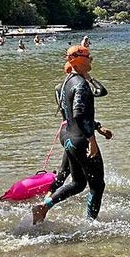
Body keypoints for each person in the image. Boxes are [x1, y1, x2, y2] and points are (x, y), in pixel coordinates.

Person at [33, 45, 106, 224]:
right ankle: (91, 224)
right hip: (80, 138)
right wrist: (92, 140)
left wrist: (87, 76)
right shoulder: (80, 85)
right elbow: (79, 114)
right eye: (89, 57)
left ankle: (44, 206)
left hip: (67, 136)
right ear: (81, 60)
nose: (91, 60)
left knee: (78, 183)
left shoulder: (67, 82)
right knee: (97, 186)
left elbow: (76, 113)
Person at [47, 62, 112, 198]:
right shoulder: (79, 85)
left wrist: (98, 127)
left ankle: (47, 197)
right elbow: (100, 93)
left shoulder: (61, 88)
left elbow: (71, 115)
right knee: (92, 184)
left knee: (65, 172)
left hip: (67, 133)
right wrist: (90, 78)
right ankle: (46, 204)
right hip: (79, 134)